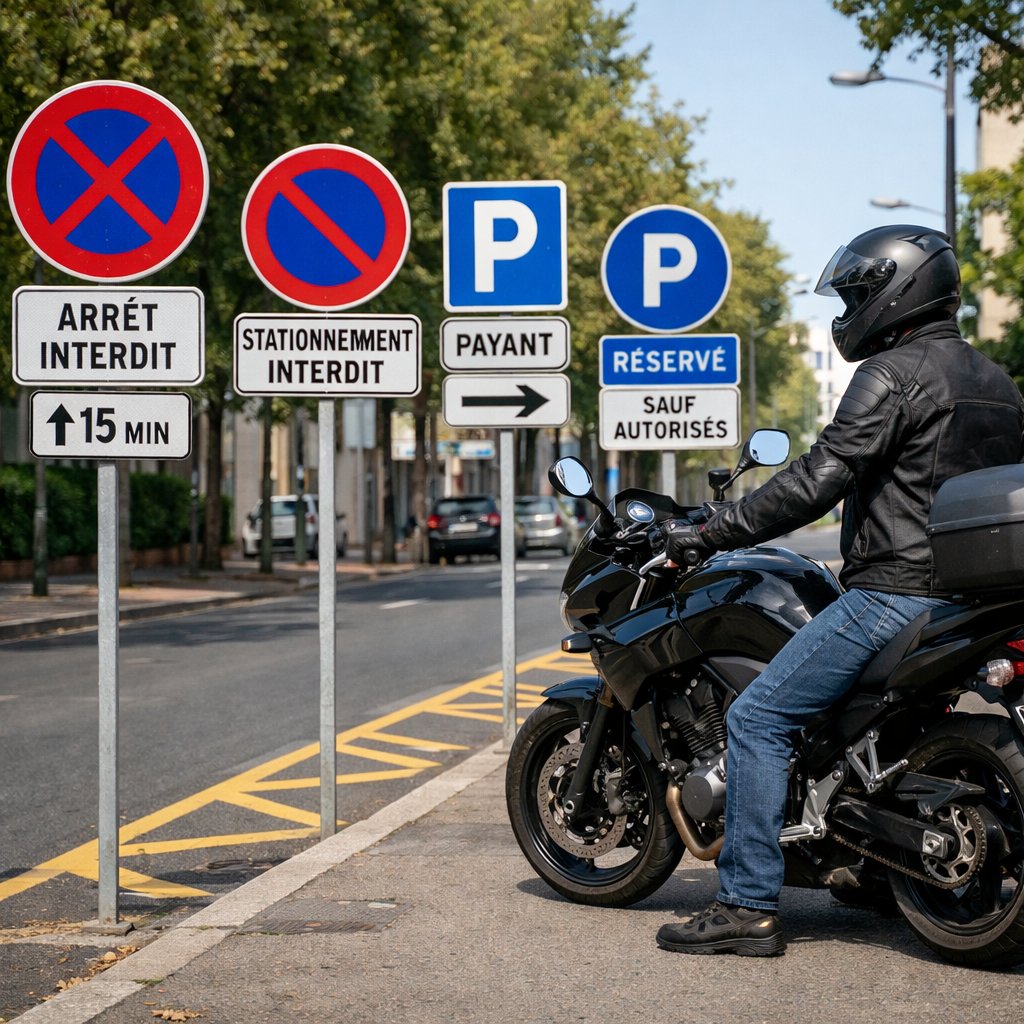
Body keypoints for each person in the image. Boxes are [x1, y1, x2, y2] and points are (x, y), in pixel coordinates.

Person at [654, 224, 1024, 958]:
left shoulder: (891, 373)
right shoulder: (999, 384)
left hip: (893, 594)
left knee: (759, 718)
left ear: (897, 293)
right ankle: (877, 870)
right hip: (971, 600)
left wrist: (712, 530)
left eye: (857, 295)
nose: (850, 310)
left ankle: (745, 903)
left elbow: (817, 480)